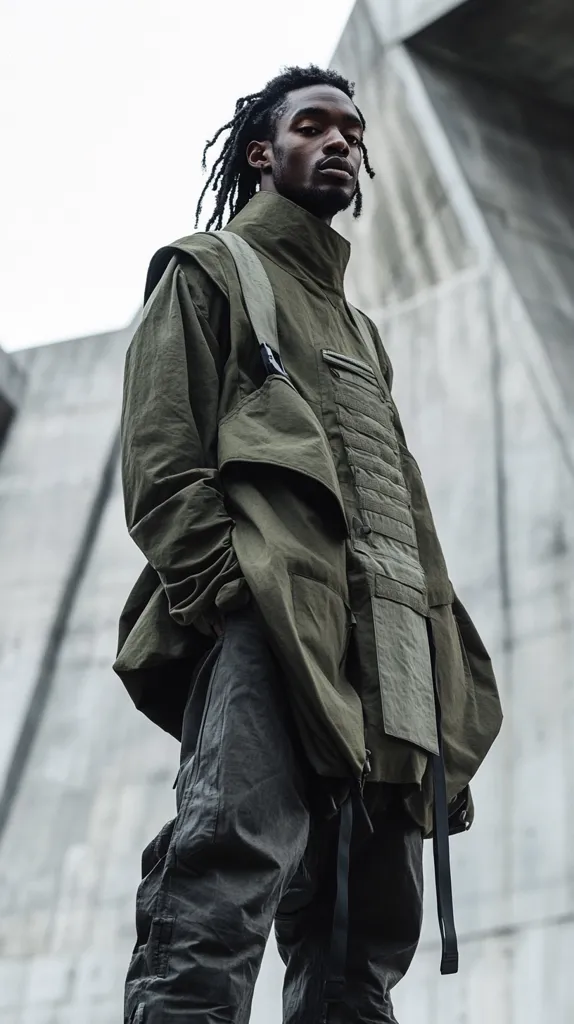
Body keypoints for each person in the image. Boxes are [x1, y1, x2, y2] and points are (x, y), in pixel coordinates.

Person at [115, 65, 502, 1024]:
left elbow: (403, 512)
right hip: (271, 628)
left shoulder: (363, 333)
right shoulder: (209, 270)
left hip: (392, 666)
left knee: (360, 946)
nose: (342, 144)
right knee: (220, 878)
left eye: (354, 133)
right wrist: (235, 597)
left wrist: (445, 696)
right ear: (264, 151)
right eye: (316, 127)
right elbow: (163, 463)